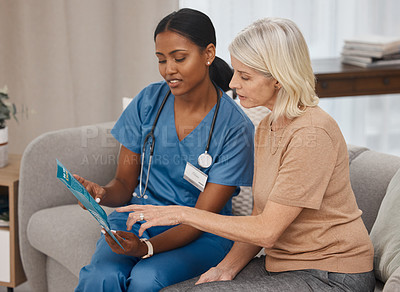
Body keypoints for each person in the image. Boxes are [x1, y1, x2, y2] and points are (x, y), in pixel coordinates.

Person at [117, 18, 376, 292]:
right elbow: (258, 216)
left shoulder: (312, 133)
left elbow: (266, 230)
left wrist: (184, 214)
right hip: (282, 264)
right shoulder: (267, 126)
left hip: (332, 274)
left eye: (245, 76)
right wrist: (225, 268)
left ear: (278, 78)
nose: (232, 82)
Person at [74, 8, 255, 292]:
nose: (168, 69)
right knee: (101, 276)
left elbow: (201, 218)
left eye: (179, 58)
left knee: (148, 278)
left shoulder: (235, 128)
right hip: (138, 218)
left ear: (208, 54)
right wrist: (101, 194)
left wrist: (146, 248)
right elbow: (123, 184)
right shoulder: (148, 101)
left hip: (203, 231)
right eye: (161, 59)